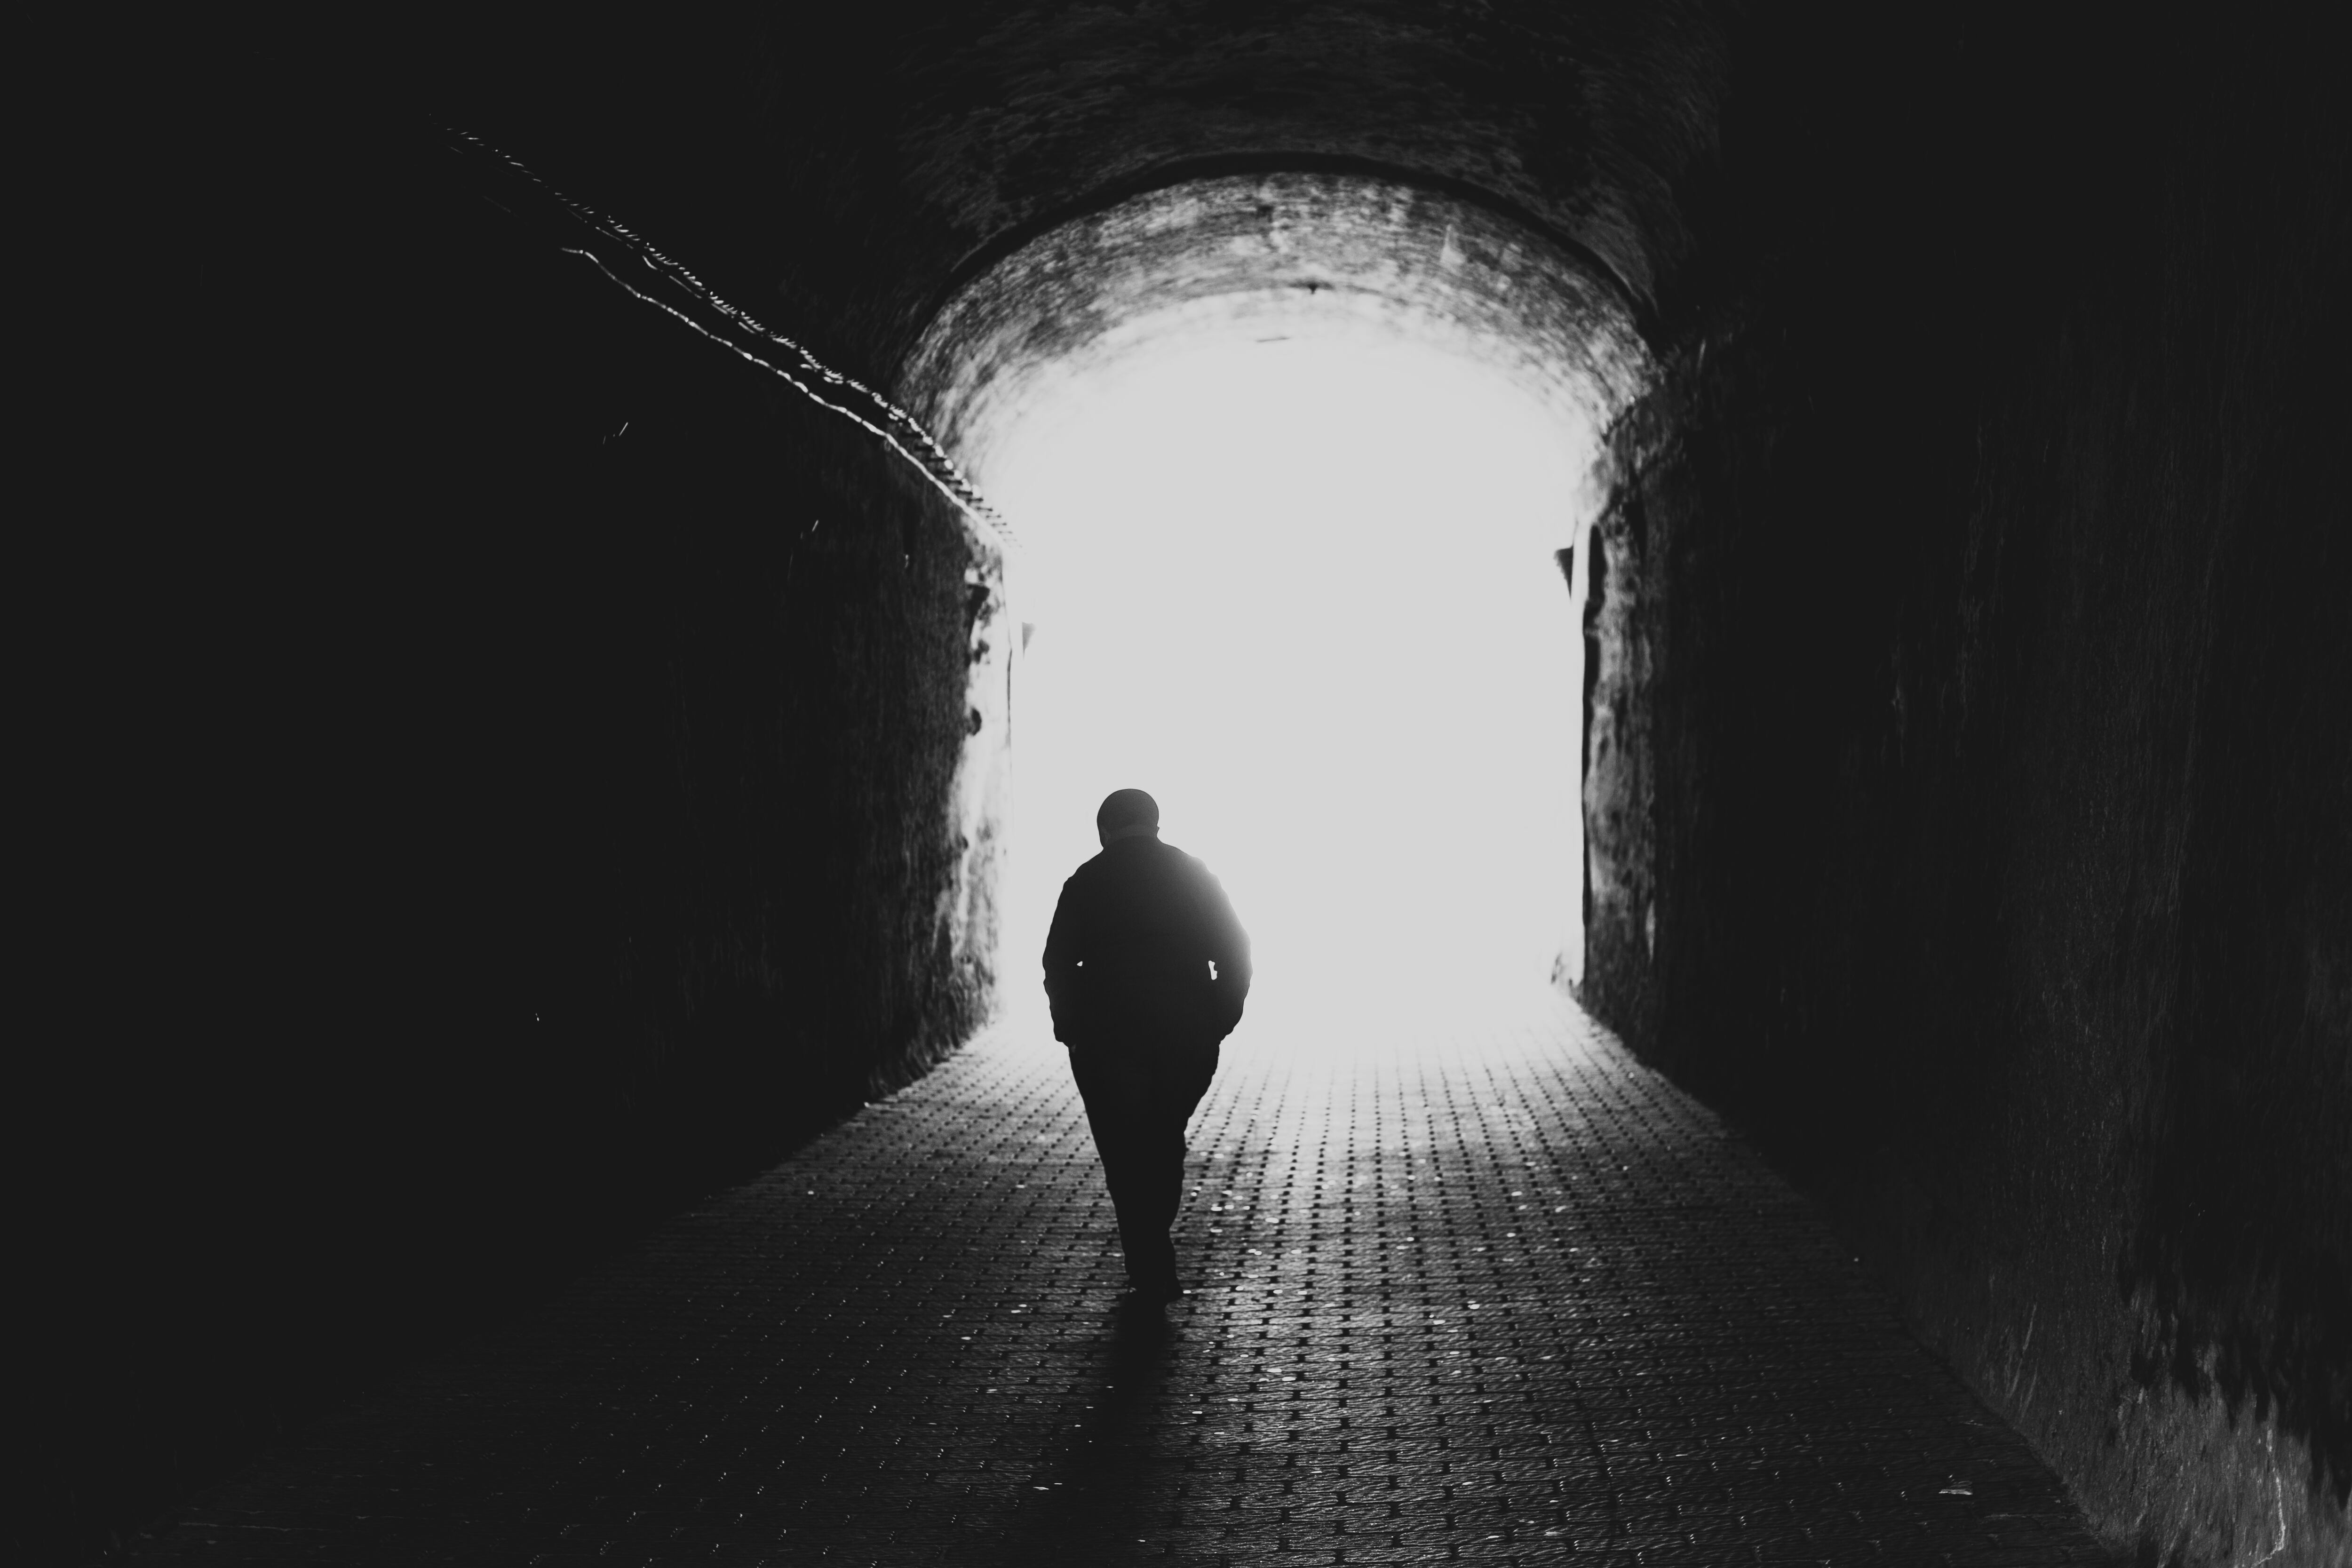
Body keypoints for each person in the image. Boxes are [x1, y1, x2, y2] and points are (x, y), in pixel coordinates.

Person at [1044, 789, 1251, 1302]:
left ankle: (1148, 1259)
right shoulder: (1194, 875)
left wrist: (1070, 1026)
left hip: (1105, 1041)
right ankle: (1154, 1250)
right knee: (1163, 1137)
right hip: (1184, 1034)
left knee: (1122, 1150)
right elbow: (1235, 950)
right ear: (1155, 824)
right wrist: (1219, 1018)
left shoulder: (1086, 881)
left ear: (1104, 829)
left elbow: (1057, 964)